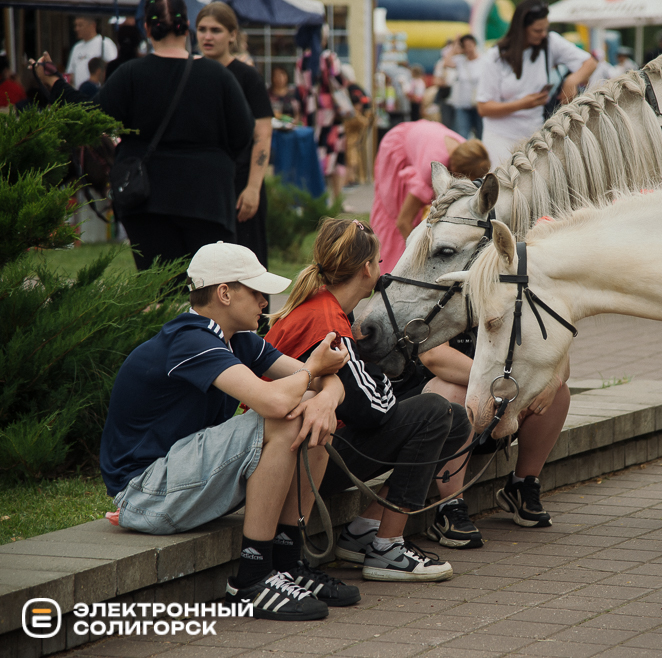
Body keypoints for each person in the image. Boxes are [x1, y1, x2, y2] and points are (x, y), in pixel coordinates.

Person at [99, 241, 360, 620]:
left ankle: (287, 564)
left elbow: (331, 382)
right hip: (145, 495)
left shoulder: (239, 341)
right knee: (284, 418)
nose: (264, 303)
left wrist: (323, 396)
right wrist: (312, 373)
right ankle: (253, 579)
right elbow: (274, 402)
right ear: (224, 293)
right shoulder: (189, 339)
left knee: (313, 413)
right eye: (256, 292)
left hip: (182, 483)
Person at [265, 218, 475, 578]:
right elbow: (373, 410)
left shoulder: (326, 307)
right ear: (366, 268)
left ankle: (363, 532)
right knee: (434, 411)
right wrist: (376, 364)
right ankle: (388, 549)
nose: (383, 270)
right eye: (379, 262)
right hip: (300, 460)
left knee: (454, 420)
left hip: (304, 448)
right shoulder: (327, 319)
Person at [32, 0, 254, 272]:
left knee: (158, 292)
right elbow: (244, 136)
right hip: (208, 197)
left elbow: (87, 116)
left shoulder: (131, 75)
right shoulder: (219, 76)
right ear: (188, 27)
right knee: (211, 292)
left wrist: (54, 82)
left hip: (147, 198)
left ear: (147, 28)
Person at [397, 332, 572, 534]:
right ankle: (449, 505)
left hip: (499, 410)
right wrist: (504, 384)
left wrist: (552, 381)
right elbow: (435, 357)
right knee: (456, 390)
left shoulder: (515, 299)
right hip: (432, 418)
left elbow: (560, 355)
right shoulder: (440, 299)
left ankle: (522, 485)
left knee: (558, 392)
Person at [196, 2, 273, 300]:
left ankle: (254, 336)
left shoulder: (246, 77)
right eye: (202, 29)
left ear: (232, 35)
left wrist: (253, 187)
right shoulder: (191, 72)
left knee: (248, 268)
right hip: (202, 185)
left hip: (241, 183)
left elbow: (263, 135)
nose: (208, 36)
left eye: (216, 30)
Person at [476, 0, 596, 168]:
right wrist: (522, 104)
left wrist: (572, 80)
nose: (543, 34)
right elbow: (484, 107)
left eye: (545, 28)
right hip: (500, 138)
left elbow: (590, 62)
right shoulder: (495, 57)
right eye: (537, 30)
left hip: (533, 136)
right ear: (521, 29)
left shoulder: (550, 43)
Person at [369, 120, 490, 273]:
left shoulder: (469, 154)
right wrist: (423, 256)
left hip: (420, 136)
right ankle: (391, 270)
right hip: (398, 146)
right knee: (396, 215)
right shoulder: (431, 169)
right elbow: (403, 221)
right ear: (458, 174)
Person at [443, 34, 484, 139]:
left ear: (475, 44)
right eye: (465, 46)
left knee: (481, 134)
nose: (468, 48)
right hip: (463, 105)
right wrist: (455, 44)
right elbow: (446, 62)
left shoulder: (484, 60)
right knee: (462, 135)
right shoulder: (461, 61)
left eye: (470, 45)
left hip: (479, 105)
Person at [66, 16, 118, 89]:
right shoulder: (76, 47)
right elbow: (70, 73)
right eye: (75, 25)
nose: (76, 29)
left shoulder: (105, 43)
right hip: (80, 94)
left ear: (93, 25)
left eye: (80, 25)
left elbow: (113, 70)